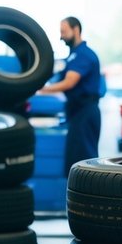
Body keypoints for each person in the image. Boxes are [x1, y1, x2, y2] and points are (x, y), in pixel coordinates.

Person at [37, 16, 102, 173]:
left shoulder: (83, 55)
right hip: (76, 112)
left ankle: (89, 197)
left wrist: (40, 89)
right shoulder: (72, 57)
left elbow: (69, 82)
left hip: (85, 112)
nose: (61, 36)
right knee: (75, 161)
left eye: (64, 32)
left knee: (85, 164)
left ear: (76, 30)